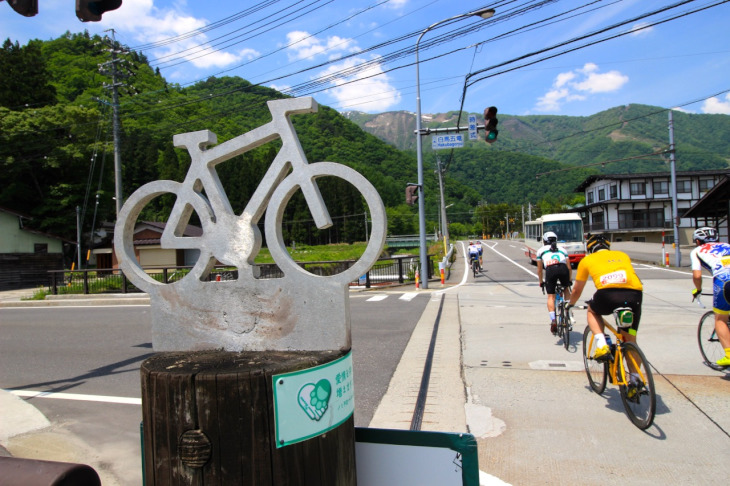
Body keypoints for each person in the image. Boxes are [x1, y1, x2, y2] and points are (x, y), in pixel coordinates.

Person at [566, 234, 643, 361]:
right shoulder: (622, 255)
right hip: (634, 295)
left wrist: (570, 304)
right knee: (630, 338)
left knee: (592, 310)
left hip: (608, 294)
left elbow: (576, 290)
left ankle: (602, 344)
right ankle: (635, 378)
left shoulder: (587, 260)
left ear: (590, 249)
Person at [689, 227, 730, 367]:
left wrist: (698, 289)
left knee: (720, 319)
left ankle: (729, 354)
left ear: (698, 241)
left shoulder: (697, 251)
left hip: (724, 281)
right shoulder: (727, 245)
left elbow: (697, 275)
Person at [536, 231, 572, 334]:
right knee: (566, 290)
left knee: (551, 296)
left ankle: (553, 320)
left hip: (550, 270)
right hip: (563, 269)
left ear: (544, 241)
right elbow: (569, 267)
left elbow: (539, 270)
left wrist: (541, 282)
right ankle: (567, 310)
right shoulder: (563, 250)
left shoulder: (540, 251)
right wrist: (569, 281)